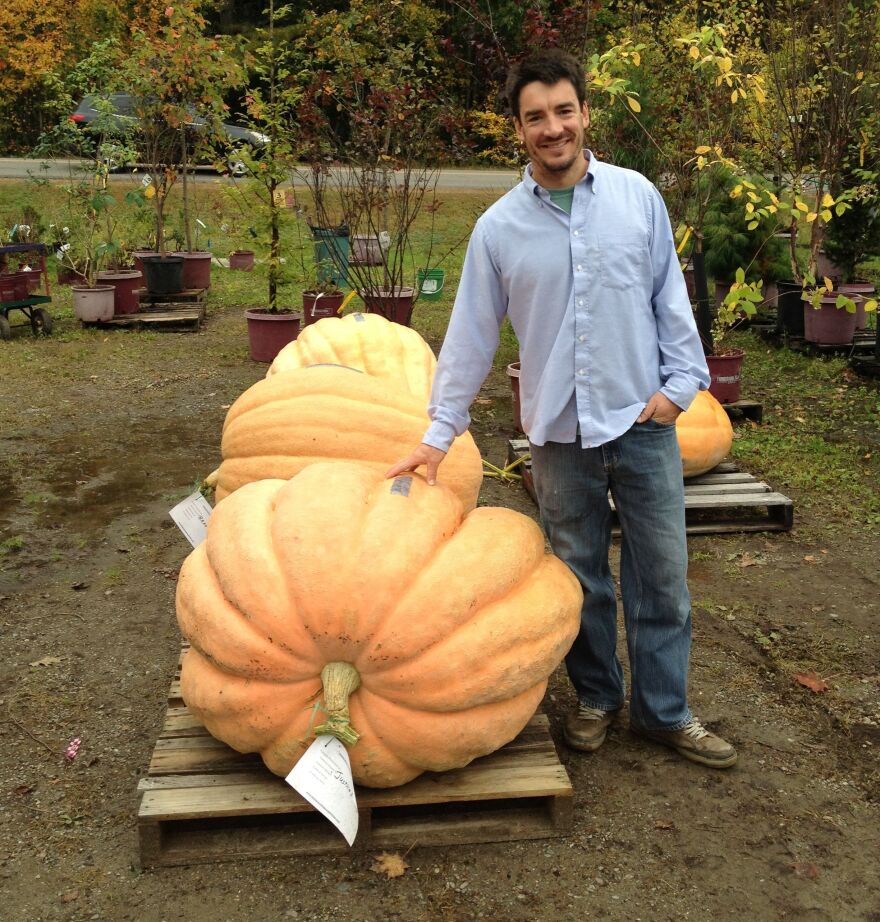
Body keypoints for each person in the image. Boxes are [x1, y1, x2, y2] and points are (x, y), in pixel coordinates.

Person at [386, 48, 737, 769]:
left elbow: (671, 300)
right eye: (536, 116)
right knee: (578, 580)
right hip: (557, 436)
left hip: (641, 425)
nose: (553, 128)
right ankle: (599, 698)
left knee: (662, 578)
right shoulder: (498, 230)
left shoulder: (638, 198)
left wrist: (679, 390)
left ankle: (664, 713)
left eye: (564, 111)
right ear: (517, 129)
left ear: (585, 114)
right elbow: (469, 339)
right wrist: (438, 432)